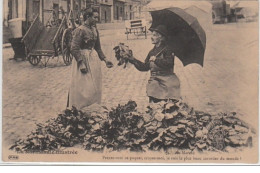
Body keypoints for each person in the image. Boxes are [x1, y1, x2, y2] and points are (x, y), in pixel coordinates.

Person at [67, 8, 113, 109]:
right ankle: (80, 109)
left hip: (93, 60)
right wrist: (81, 63)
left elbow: (98, 48)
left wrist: (105, 60)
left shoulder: (94, 30)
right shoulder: (80, 30)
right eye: (95, 17)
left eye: (97, 17)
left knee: (95, 87)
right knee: (84, 87)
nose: (97, 19)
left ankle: (93, 108)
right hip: (83, 60)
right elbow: (74, 48)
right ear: (88, 17)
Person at [127, 25, 180, 103]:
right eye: (152, 35)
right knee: (153, 99)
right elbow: (144, 67)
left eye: (154, 35)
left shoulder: (167, 49)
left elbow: (169, 63)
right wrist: (133, 59)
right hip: (155, 81)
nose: (151, 37)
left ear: (161, 38)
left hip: (168, 81)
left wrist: (156, 60)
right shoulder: (152, 52)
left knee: (169, 107)